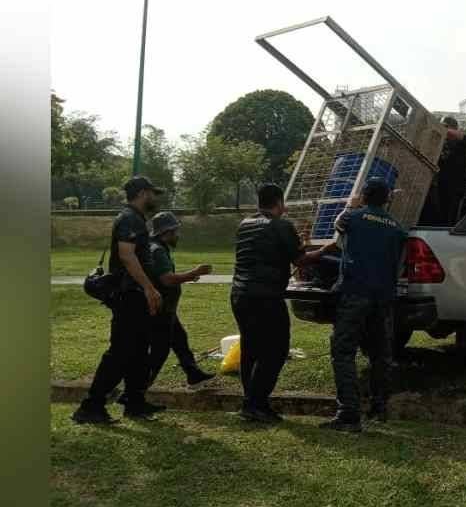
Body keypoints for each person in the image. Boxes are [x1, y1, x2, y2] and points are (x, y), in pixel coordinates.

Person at [230, 183, 331, 423]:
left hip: (239, 295)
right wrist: (328, 248)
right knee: (276, 349)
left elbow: (268, 251)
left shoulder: (244, 225)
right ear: (280, 203)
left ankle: (251, 402)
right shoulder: (281, 225)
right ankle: (256, 403)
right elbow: (301, 260)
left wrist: (299, 245)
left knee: (251, 349)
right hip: (265, 297)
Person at [72, 176, 165, 424]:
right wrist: (149, 288)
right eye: (153, 193)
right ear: (143, 193)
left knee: (138, 352)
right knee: (121, 352)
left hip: (136, 295)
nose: (155, 198)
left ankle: (135, 403)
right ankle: (91, 406)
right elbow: (126, 256)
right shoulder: (129, 218)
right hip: (129, 295)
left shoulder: (134, 218)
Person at [320, 177, 408, 432]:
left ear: (365, 196)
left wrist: (353, 204)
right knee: (381, 354)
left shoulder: (352, 218)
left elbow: (338, 226)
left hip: (354, 294)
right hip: (384, 298)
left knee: (343, 352)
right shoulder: (397, 227)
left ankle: (348, 413)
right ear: (387, 199)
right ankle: (380, 407)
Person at [143, 211, 215, 391]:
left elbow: (164, 276)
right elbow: (166, 279)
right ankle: (138, 389)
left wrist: (188, 276)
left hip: (166, 308)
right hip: (161, 309)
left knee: (180, 341)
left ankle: (194, 375)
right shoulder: (158, 250)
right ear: (166, 232)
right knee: (159, 351)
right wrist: (194, 272)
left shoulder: (155, 246)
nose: (177, 235)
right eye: (175, 231)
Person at [437, 116, 466, 225]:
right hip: (442, 187)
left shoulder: (464, 141)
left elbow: (455, 134)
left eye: (444, 127)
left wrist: (438, 127)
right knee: (442, 218)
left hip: (458, 188)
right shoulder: (442, 145)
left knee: (453, 219)